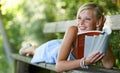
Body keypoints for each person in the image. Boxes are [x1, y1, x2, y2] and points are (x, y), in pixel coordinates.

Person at [19, 2, 115, 73]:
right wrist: (84, 62)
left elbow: (108, 64)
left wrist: (101, 33)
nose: (81, 23)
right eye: (79, 18)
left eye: (87, 19)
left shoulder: (98, 37)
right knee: (36, 51)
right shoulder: (73, 30)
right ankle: (27, 49)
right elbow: (59, 66)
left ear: (98, 22)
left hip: (65, 48)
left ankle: (30, 48)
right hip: (53, 52)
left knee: (37, 51)